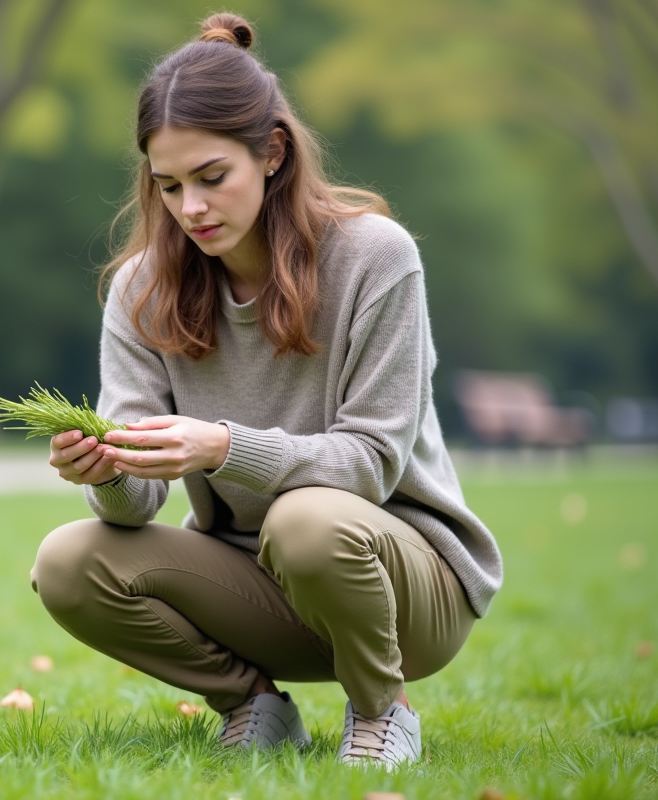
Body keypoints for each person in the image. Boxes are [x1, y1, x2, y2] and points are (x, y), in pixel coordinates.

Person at [30, 12, 502, 768]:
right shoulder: (141, 290)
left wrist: (222, 447)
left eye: (213, 178)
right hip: (256, 589)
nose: (191, 209)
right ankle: (253, 705)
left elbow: (373, 461)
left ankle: (383, 713)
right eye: (170, 185)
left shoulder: (377, 259)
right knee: (67, 560)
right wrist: (111, 473)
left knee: (305, 521)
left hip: (404, 590)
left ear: (273, 152)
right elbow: (136, 507)